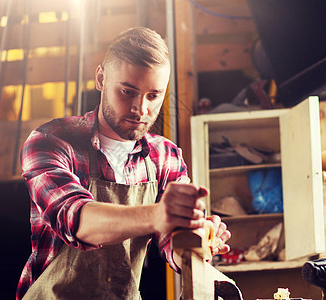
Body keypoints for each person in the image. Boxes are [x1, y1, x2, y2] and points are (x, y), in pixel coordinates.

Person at [16, 26, 231, 299]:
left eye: (153, 96)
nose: (141, 109)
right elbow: (77, 220)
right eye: (128, 91)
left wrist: (199, 238)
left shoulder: (165, 157)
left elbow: (172, 244)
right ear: (101, 78)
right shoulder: (51, 141)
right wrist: (158, 215)